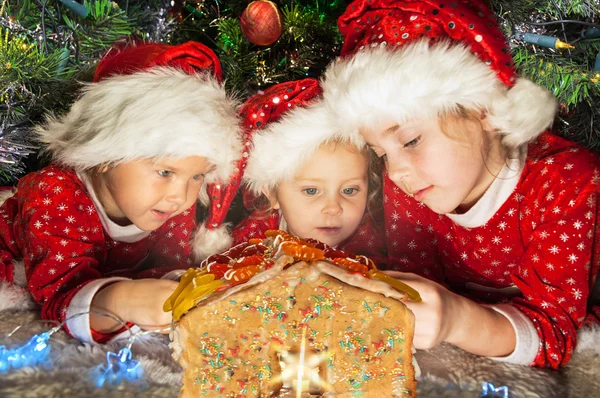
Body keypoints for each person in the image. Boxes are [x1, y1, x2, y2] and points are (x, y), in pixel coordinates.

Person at [320, 0, 600, 368]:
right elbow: (412, 287)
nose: (395, 172)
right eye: (381, 153)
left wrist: (457, 318)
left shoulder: (567, 179)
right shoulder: (412, 188)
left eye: (410, 140)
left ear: (481, 109)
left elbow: (556, 333)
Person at [0, 41, 243, 343]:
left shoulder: (168, 202)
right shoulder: (54, 192)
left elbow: (169, 265)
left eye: (197, 176)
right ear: (104, 156)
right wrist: (121, 299)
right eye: (165, 172)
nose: (181, 196)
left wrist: (180, 287)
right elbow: (58, 295)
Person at [232, 78, 385, 258]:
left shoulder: (379, 252)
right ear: (272, 192)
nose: (333, 208)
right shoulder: (247, 251)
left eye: (350, 190)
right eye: (311, 190)